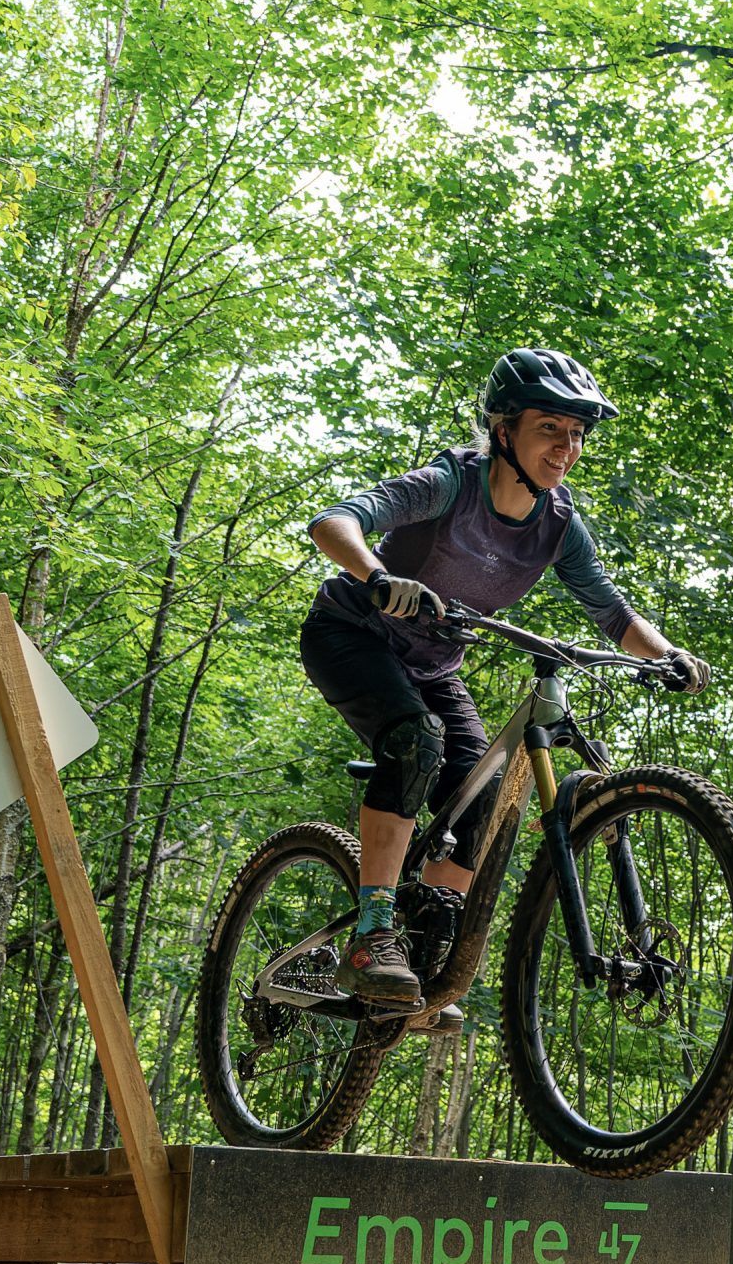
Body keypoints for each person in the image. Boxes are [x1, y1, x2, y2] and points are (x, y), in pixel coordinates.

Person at [302, 348, 707, 1006]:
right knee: (414, 740)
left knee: (484, 796)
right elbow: (333, 522)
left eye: (576, 434)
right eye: (550, 427)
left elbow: (611, 609)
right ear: (502, 430)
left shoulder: (557, 524)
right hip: (352, 634)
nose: (566, 447)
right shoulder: (451, 484)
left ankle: (426, 954)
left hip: (433, 663)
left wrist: (667, 654)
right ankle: (372, 934)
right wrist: (378, 579)